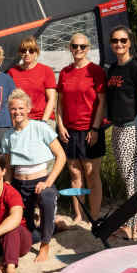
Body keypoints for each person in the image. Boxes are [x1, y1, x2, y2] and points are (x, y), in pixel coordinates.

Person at [2, 89, 65, 262]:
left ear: (28, 109)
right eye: (13, 109)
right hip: (19, 184)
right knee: (28, 235)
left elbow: (61, 156)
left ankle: (45, 245)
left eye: (21, 108)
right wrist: (7, 187)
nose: (17, 112)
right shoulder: (7, 136)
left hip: (41, 181)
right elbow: (8, 167)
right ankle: (52, 227)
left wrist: (48, 182)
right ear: (9, 111)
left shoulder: (40, 128)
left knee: (47, 198)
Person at [105, 25, 137, 239]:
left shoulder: (136, 67)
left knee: (130, 177)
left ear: (130, 42)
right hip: (117, 127)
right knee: (127, 176)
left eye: (123, 40)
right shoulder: (113, 68)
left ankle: (134, 223)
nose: (119, 44)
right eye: (115, 41)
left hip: (132, 128)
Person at [56, 33, 106, 224]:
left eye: (82, 46)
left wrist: (95, 129)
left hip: (90, 130)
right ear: (70, 48)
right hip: (69, 130)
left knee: (91, 174)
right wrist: (60, 125)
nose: (78, 49)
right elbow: (60, 103)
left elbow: (102, 103)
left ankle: (94, 216)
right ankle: (79, 215)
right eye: (75, 46)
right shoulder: (65, 72)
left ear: (88, 48)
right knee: (75, 174)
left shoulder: (96, 71)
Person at [7, 36, 56, 122]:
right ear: (20, 53)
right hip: (21, 119)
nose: (27, 53)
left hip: (42, 118)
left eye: (31, 50)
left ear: (36, 53)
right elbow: (9, 99)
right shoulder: (12, 72)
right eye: (24, 51)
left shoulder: (46, 71)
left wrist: (44, 121)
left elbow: (51, 99)